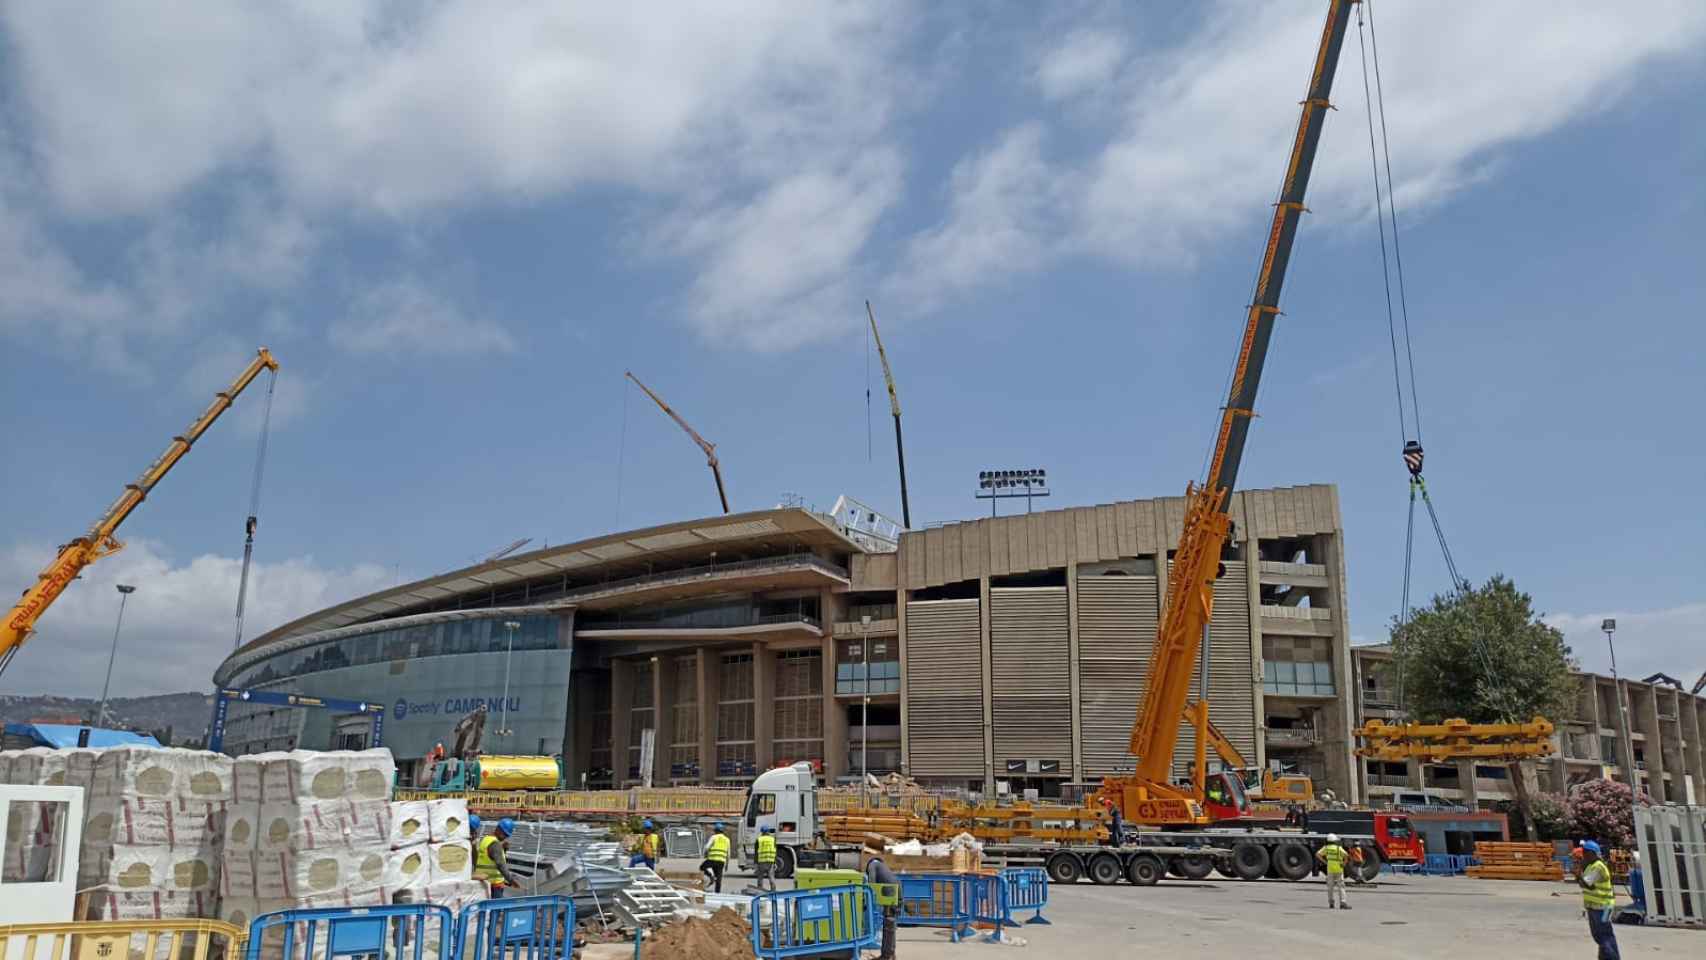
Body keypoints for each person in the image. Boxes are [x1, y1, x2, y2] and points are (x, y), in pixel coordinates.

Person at [1575, 840, 1620, 958]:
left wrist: (1579, 872)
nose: (1583, 855)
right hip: (1595, 906)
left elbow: (1586, 883)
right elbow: (1582, 882)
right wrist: (1580, 871)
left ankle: (1612, 958)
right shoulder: (1591, 866)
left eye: (1585, 853)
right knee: (1599, 935)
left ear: (1592, 853)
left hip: (1603, 907)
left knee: (1604, 935)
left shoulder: (1598, 867)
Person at [864, 855, 898, 960]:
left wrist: (866, 901)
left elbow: (871, 883)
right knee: (890, 925)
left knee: (888, 925)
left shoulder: (872, 865)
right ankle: (890, 954)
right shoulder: (883, 866)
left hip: (889, 894)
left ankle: (887, 956)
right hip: (895, 893)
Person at [476, 817, 521, 897]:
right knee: (495, 908)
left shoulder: (485, 839)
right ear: (499, 830)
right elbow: (500, 864)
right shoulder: (495, 844)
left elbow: (489, 858)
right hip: (494, 885)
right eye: (505, 834)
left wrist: (503, 850)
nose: (506, 837)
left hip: (482, 882)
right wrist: (511, 880)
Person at [1316, 833, 1350, 910]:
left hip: (1330, 869)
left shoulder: (1326, 848)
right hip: (1339, 869)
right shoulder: (1338, 848)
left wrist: (1325, 862)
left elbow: (1318, 854)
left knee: (1330, 887)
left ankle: (1331, 903)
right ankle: (1343, 903)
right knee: (1341, 887)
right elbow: (1347, 855)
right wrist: (1344, 864)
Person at [700, 822, 731, 893]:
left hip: (712, 859)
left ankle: (711, 875)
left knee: (702, 867)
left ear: (716, 830)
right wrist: (727, 865)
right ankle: (718, 893)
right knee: (719, 878)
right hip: (721, 861)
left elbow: (707, 847)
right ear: (722, 830)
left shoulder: (714, 837)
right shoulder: (727, 839)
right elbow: (728, 854)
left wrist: (705, 853)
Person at [754, 825, 778, 891]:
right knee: (771, 878)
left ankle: (759, 892)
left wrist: (755, 863)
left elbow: (756, 853)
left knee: (760, 878)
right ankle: (773, 892)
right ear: (768, 832)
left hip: (761, 862)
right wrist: (775, 862)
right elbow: (775, 851)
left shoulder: (759, 840)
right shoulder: (773, 839)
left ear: (762, 832)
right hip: (770, 862)